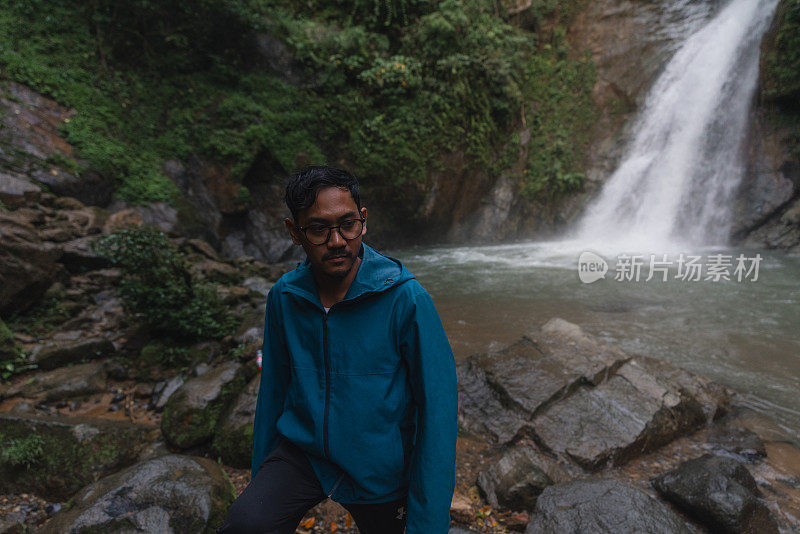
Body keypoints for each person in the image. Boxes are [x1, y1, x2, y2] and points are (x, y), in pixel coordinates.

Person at [216, 165, 458, 534]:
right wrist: (261, 482)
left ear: (364, 220)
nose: (337, 241)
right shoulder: (285, 297)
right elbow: (273, 394)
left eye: (348, 224)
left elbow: (438, 410)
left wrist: (427, 521)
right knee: (247, 524)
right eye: (318, 229)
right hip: (304, 454)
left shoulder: (406, 299)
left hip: (380, 465)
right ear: (294, 232)